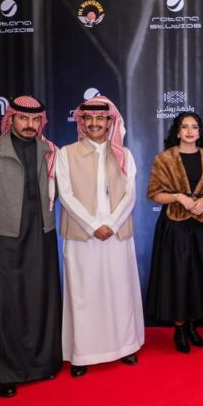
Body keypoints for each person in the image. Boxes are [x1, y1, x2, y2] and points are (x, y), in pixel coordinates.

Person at [0, 95, 62, 398]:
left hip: (42, 236)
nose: (30, 124)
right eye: (23, 118)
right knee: (5, 305)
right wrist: (0, 222)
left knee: (40, 300)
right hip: (4, 241)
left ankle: (43, 364)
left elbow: (57, 192)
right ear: (11, 119)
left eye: (35, 119)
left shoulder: (51, 153)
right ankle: (6, 372)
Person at [55, 95, 144, 376]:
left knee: (120, 291)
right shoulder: (66, 153)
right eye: (89, 118)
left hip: (117, 234)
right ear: (82, 122)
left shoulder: (124, 154)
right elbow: (65, 195)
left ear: (109, 122)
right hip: (83, 235)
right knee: (84, 294)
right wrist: (94, 225)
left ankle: (125, 346)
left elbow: (130, 194)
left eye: (100, 118)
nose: (95, 123)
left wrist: (112, 224)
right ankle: (82, 353)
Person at [145, 112, 203, 353]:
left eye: (194, 127)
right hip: (174, 226)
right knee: (177, 277)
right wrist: (178, 197)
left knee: (198, 276)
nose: (189, 131)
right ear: (177, 131)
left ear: (199, 131)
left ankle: (192, 325)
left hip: (201, 226)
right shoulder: (164, 159)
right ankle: (179, 328)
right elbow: (154, 194)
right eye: (184, 127)